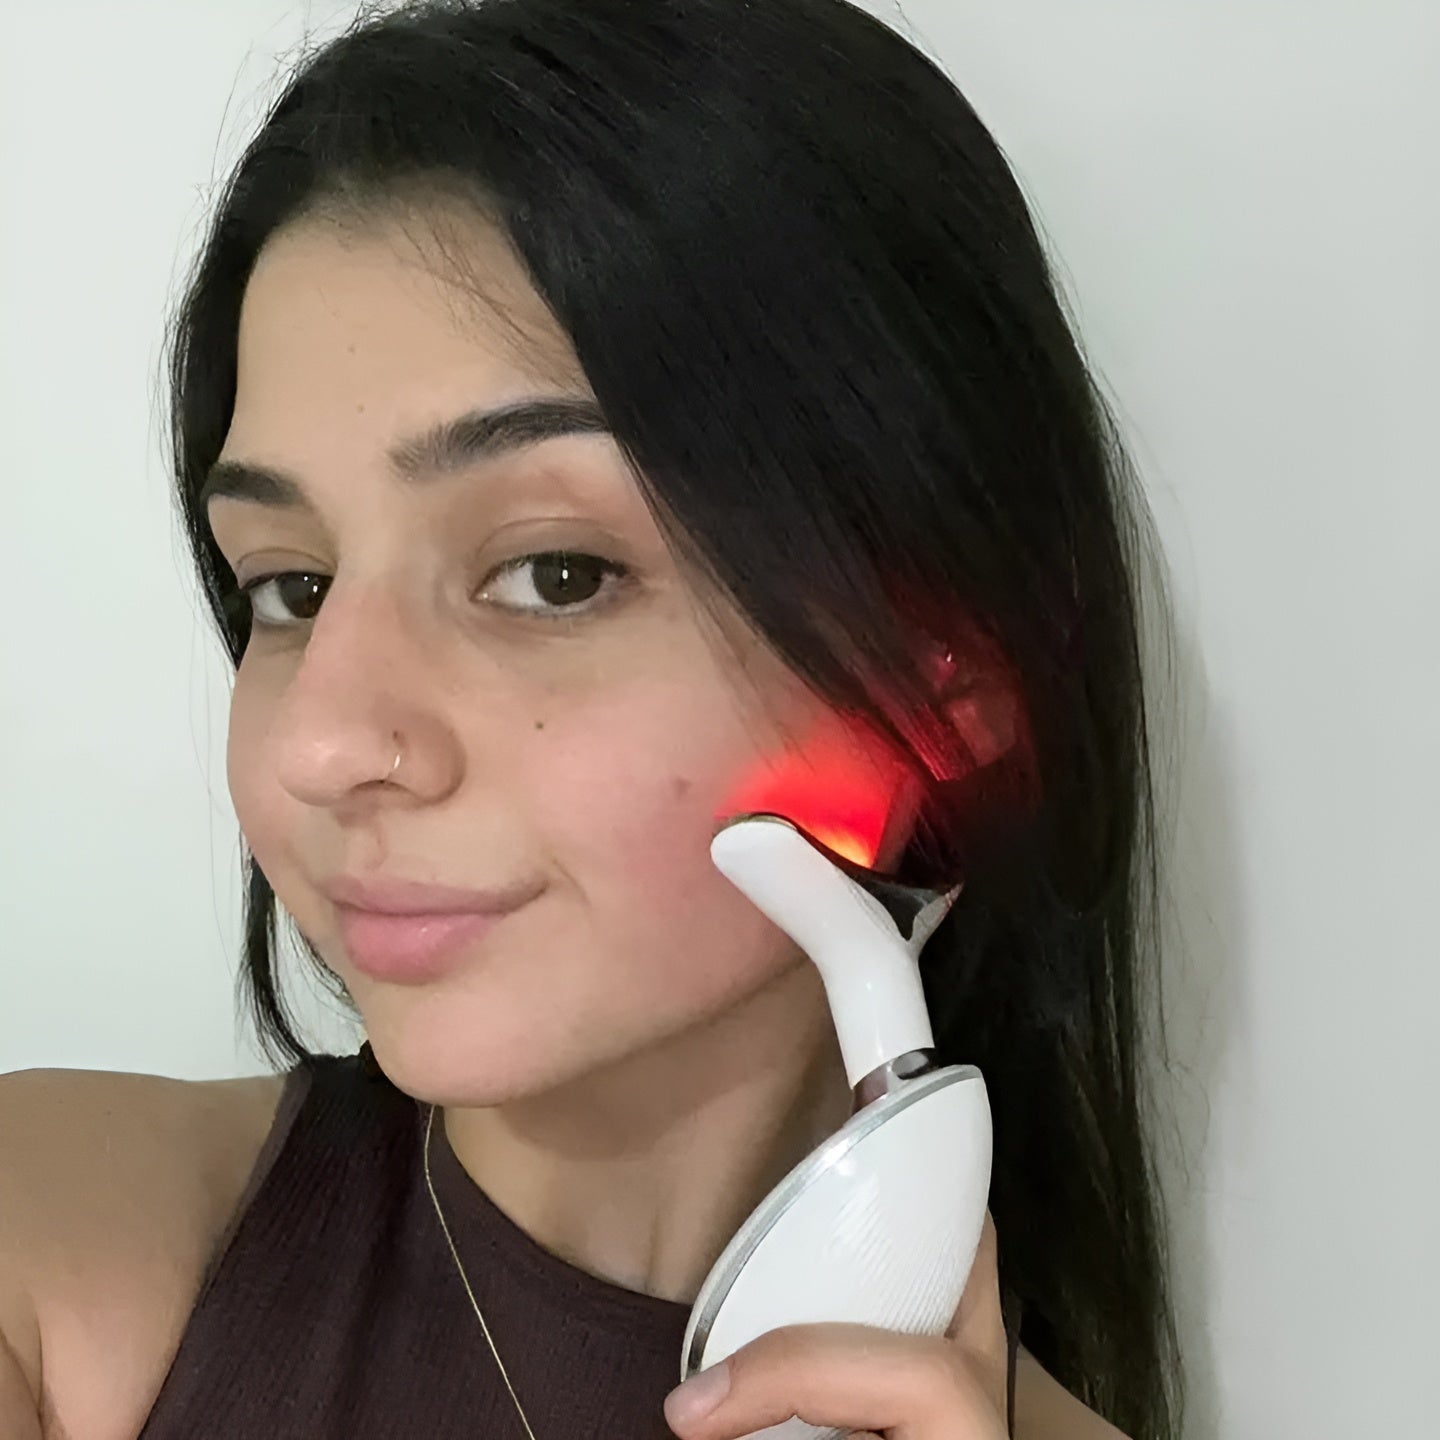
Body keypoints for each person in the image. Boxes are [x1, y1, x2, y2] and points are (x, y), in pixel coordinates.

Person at [0, 1, 1182, 1436]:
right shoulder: (47, 1271)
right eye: (291, 587)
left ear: (956, 689)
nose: (321, 743)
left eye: (555, 574)